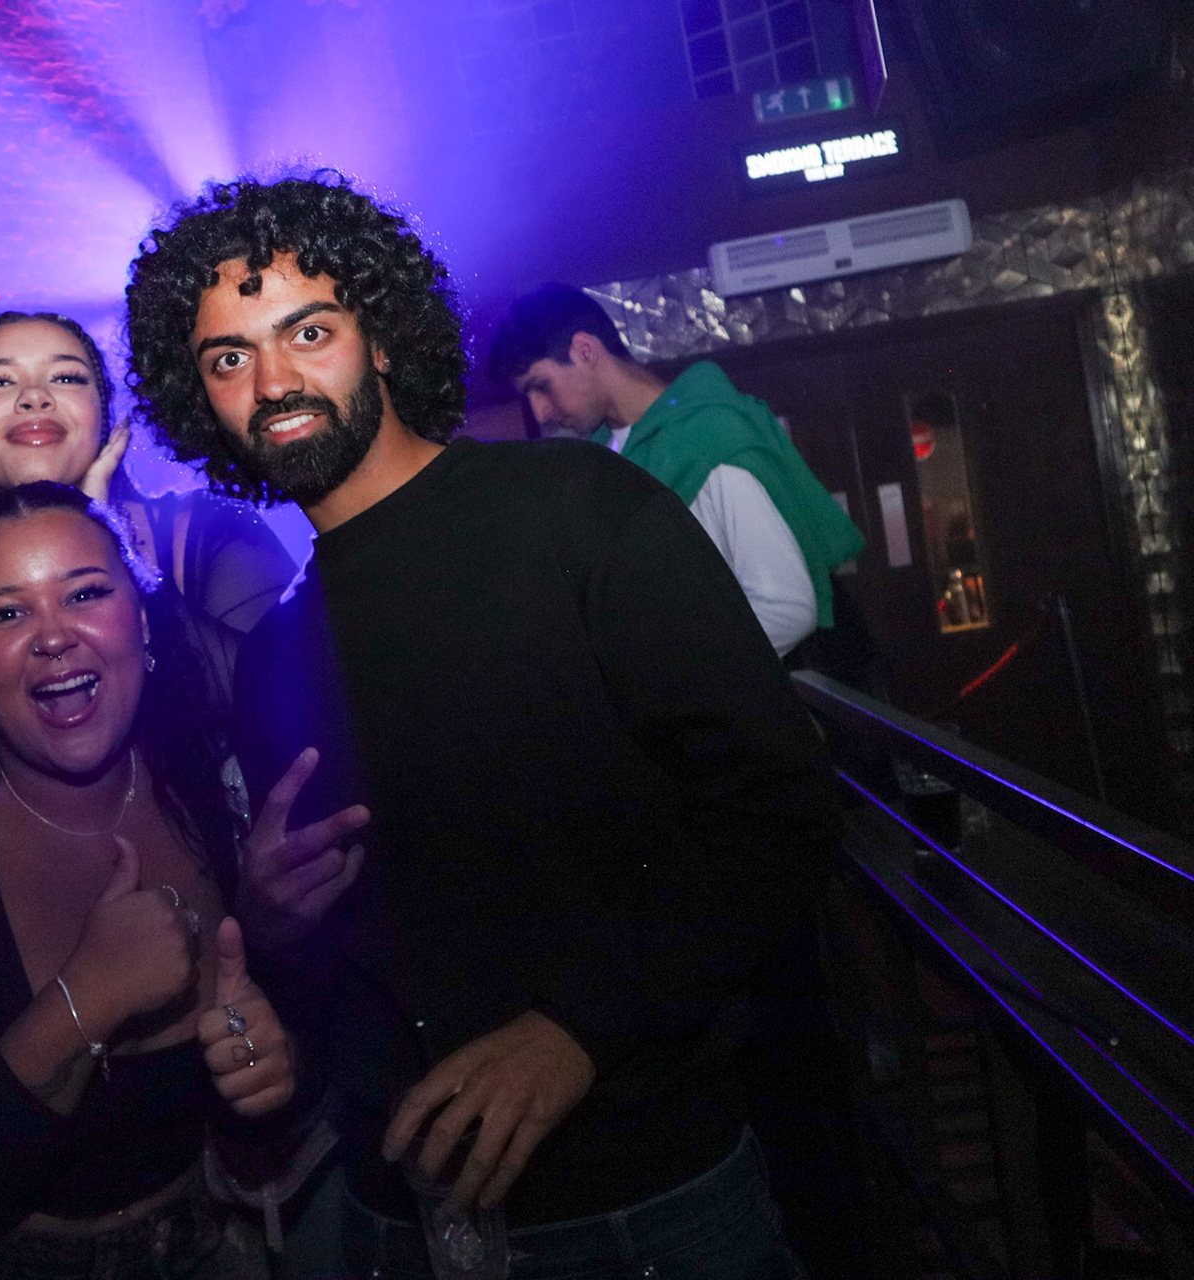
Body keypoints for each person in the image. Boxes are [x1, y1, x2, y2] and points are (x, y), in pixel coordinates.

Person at [124, 175, 839, 1277]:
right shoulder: (274, 653)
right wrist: (270, 921)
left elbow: (777, 806)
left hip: (645, 1211)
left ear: (385, 339)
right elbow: (357, 965)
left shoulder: (576, 509)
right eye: (228, 358)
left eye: (308, 332)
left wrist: (578, 1030)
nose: (273, 382)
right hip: (395, 1221)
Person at [0, 482, 366, 1277]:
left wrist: (274, 1026)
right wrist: (86, 1000)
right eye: (5, 612)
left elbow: (289, 1068)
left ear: (142, 620)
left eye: (87, 593)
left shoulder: (205, 789)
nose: (53, 637)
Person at [0, 311, 296, 727]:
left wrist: (106, 540)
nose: (34, 397)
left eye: (66, 377)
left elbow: (290, 700)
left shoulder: (212, 531)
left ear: (102, 418)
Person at [487, 283, 865, 657]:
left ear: (585, 351)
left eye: (541, 386)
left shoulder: (705, 436)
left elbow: (786, 608)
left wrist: (667, 673)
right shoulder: (602, 458)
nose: (539, 412)